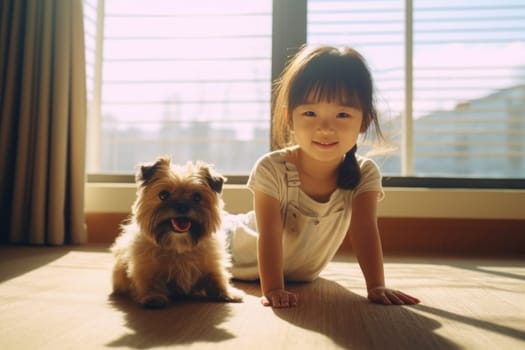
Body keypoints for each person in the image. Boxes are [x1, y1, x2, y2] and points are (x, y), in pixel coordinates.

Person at [225, 44, 420, 308]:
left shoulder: (364, 174)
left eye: (342, 114)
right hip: (228, 250)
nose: (325, 128)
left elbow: (365, 229)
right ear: (290, 119)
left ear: (364, 121)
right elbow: (269, 232)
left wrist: (376, 285)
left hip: (300, 276)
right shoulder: (271, 169)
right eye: (310, 113)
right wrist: (273, 289)